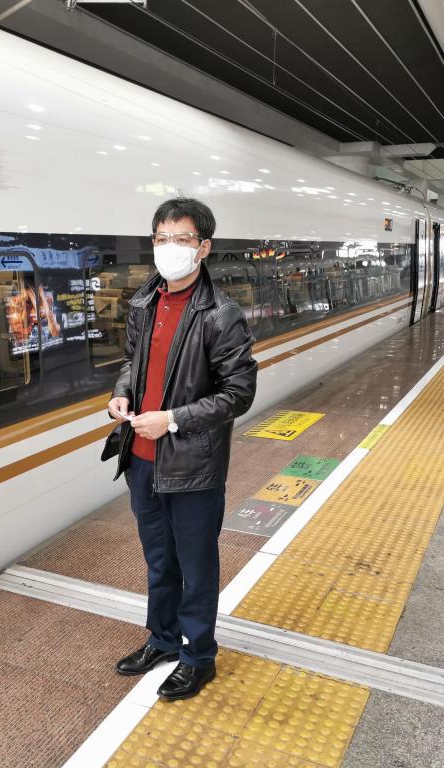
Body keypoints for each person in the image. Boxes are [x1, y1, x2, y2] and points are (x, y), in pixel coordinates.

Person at [104, 198, 257, 701]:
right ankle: (164, 639)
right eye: (162, 238)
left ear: (203, 247)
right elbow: (132, 361)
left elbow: (238, 394)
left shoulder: (221, 315)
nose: (170, 248)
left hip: (193, 467)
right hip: (141, 461)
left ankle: (198, 657)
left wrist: (171, 420)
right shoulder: (144, 303)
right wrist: (122, 393)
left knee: (196, 566)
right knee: (159, 561)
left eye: (182, 239)